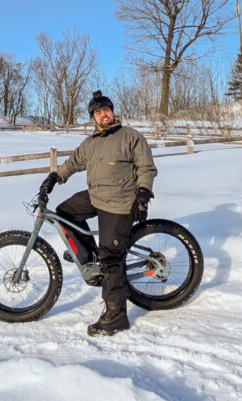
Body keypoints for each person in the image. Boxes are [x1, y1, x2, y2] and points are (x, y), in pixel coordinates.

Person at [39, 90, 157, 336]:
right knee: (64, 212)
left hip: (120, 203)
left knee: (112, 258)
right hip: (96, 196)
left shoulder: (130, 137)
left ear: (113, 112)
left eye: (106, 110)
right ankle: (91, 258)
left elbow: (146, 167)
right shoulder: (91, 142)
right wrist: (54, 177)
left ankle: (116, 315)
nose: (103, 115)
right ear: (93, 118)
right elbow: (73, 163)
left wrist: (143, 195)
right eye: (97, 112)